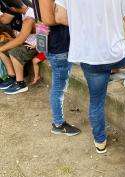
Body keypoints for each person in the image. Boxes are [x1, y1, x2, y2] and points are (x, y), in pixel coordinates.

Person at [53, 0, 125, 153]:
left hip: (87, 55)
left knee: (96, 101)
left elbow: (60, 17)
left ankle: (100, 142)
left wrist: (86, 25)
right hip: (114, 54)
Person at [39, 0, 81, 137]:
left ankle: (58, 122)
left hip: (58, 44)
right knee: (59, 87)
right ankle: (58, 124)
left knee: (59, 85)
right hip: (58, 47)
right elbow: (48, 19)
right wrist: (79, 19)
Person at [0, 0, 37, 94]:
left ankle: (20, 84)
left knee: (14, 51)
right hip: (25, 42)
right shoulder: (25, 13)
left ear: (13, 8)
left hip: (34, 47)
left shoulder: (30, 17)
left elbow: (20, 40)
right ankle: (12, 76)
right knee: (2, 45)